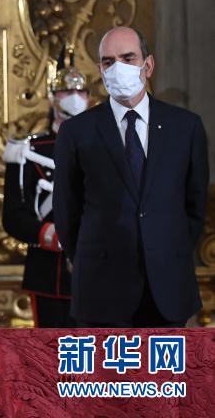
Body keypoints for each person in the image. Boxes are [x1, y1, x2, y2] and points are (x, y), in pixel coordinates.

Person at [53, 27, 209, 327]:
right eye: (108, 61)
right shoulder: (76, 132)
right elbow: (66, 212)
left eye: (128, 58)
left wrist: (167, 249)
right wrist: (93, 257)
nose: (118, 68)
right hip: (100, 290)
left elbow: (195, 206)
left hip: (168, 288)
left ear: (147, 65)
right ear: (100, 69)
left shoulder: (185, 127)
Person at [2, 53, 89, 327]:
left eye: (80, 92)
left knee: (100, 351)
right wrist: (49, 233)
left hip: (100, 271)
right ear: (53, 97)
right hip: (50, 273)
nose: (74, 98)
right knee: (51, 352)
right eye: (66, 91)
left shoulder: (107, 147)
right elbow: (13, 216)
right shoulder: (28, 150)